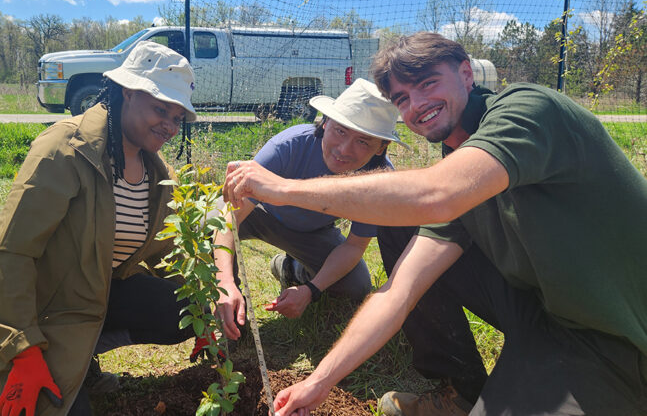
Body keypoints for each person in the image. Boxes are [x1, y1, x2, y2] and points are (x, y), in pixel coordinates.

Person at [222, 32, 647, 416]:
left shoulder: (530, 109)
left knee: (407, 204)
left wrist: (281, 189)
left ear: (465, 73)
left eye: (427, 83)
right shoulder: (456, 161)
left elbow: (438, 193)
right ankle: (461, 391)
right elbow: (399, 292)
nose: (417, 104)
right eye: (402, 98)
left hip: (618, 336)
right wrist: (317, 383)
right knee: (399, 221)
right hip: (547, 318)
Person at [0, 41, 202, 416]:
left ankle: (85, 356)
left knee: (184, 309)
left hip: (99, 296)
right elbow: (12, 252)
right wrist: (21, 347)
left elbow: (162, 250)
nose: (170, 126)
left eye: (177, 117)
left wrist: (203, 313)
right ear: (127, 92)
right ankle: (62, 359)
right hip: (47, 311)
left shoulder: (154, 172)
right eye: (160, 109)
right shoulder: (65, 148)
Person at [214, 78, 408, 342]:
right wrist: (226, 282)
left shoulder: (381, 179)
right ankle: (230, 318)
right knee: (211, 224)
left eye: (363, 142)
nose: (344, 150)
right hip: (259, 214)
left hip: (314, 231)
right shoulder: (289, 145)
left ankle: (291, 268)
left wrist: (310, 290)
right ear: (325, 122)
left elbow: (353, 247)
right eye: (340, 131)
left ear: (381, 147)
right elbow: (232, 216)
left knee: (356, 285)